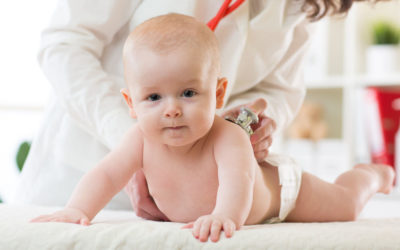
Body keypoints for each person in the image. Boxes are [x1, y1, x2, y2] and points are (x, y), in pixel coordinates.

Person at [32, 14, 395, 243]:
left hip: (282, 193)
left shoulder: (228, 136)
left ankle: (370, 175)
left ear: (218, 93)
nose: (172, 109)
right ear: (131, 104)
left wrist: (224, 217)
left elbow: (238, 183)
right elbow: (106, 174)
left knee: (345, 205)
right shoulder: (138, 139)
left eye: (189, 93)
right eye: (153, 97)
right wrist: (76, 209)